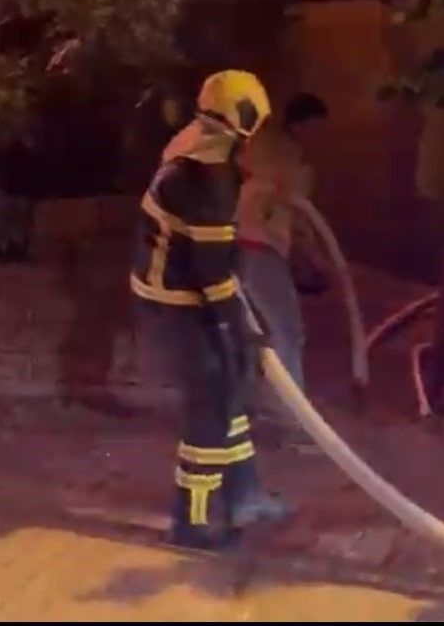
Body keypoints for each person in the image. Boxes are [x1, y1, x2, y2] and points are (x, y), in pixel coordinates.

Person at [131, 69, 291, 551]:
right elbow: (211, 273)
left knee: (230, 386)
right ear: (243, 124)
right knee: (209, 403)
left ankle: (244, 496)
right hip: (177, 302)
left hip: (189, 291)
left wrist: (239, 324)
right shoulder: (207, 179)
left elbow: (216, 268)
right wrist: (238, 324)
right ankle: (192, 521)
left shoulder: (200, 152)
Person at [236, 92, 328, 410]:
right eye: (317, 127)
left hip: (237, 244)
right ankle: (293, 413)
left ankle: (251, 402)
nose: (321, 136)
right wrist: (314, 257)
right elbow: (296, 213)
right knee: (287, 329)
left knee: (252, 328)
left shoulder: (260, 146)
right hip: (260, 246)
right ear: (302, 125)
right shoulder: (292, 160)